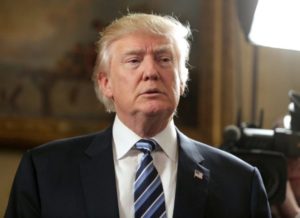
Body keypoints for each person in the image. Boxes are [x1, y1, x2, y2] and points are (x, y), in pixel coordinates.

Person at [5, 13, 271, 218]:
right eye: (134, 60)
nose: (151, 72)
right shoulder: (44, 171)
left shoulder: (240, 183)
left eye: (164, 59)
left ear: (182, 81)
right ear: (106, 82)